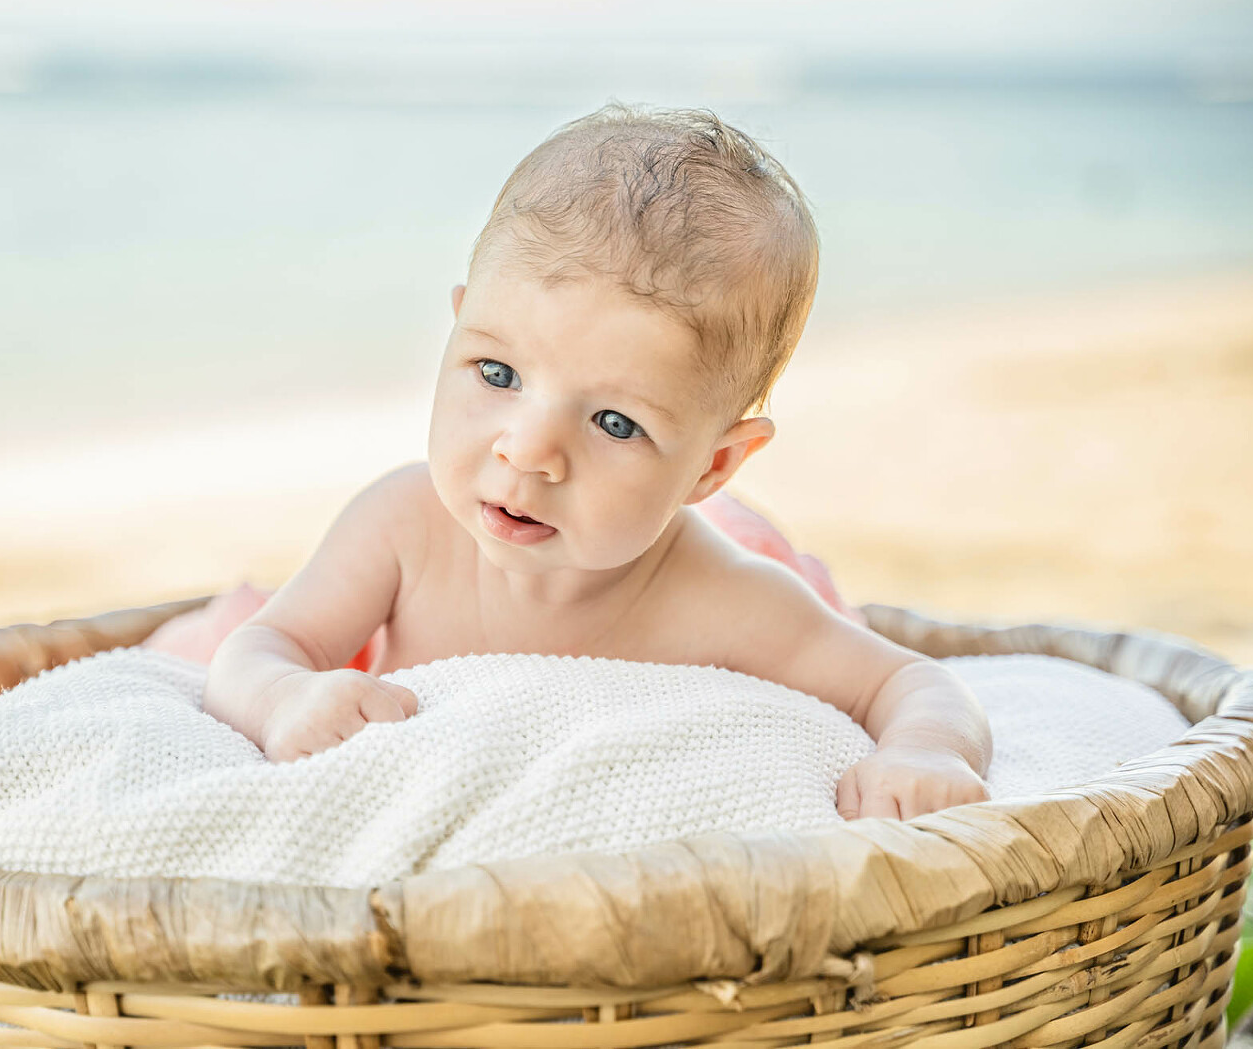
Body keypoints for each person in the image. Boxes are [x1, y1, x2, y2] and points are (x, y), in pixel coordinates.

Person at [144, 101, 992, 821]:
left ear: (712, 466)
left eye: (616, 423)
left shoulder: (728, 602)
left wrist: (924, 755)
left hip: (720, 545)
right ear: (457, 325)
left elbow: (915, 686)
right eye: (498, 374)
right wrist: (287, 695)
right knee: (202, 635)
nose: (528, 449)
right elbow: (258, 653)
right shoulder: (403, 528)